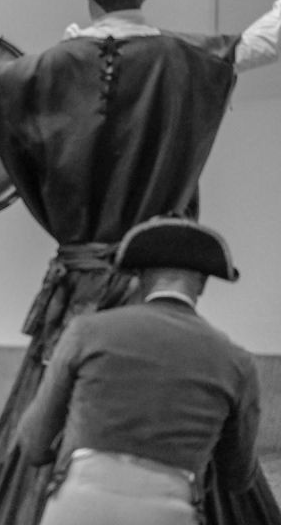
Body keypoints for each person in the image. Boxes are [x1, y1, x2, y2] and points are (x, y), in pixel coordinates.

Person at [0, 0, 281, 525]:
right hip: (153, 286)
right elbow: (264, 40)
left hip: (78, 294)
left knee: (41, 419)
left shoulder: (33, 72)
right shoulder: (189, 59)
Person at [17, 216, 260, 525]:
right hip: (168, 513)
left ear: (141, 278)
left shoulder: (86, 332)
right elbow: (238, 476)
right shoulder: (237, 362)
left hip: (78, 507)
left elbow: (34, 442)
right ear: (201, 283)